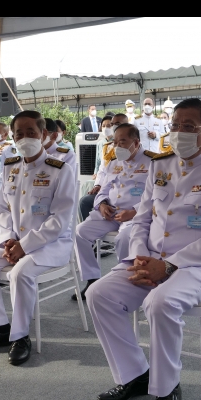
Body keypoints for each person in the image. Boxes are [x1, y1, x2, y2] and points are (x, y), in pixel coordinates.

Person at [86, 98, 201, 400]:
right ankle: (135, 374)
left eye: (189, 127)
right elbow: (142, 220)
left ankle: (167, 388)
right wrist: (142, 255)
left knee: (159, 302)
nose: (179, 132)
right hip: (150, 258)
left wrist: (169, 265)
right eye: (175, 126)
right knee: (99, 294)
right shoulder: (160, 164)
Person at [0, 110, 76, 366]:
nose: (25, 138)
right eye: (19, 134)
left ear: (44, 135)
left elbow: (59, 221)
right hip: (13, 242)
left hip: (52, 245)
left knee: (20, 274)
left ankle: (21, 336)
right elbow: (3, 209)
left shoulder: (60, 170)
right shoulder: (10, 166)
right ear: (12, 137)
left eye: (31, 133)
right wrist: (7, 240)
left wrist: (25, 246)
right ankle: (0, 328)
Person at [74, 123, 148, 299]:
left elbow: (157, 196)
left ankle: (127, 282)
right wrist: (102, 204)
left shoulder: (153, 162)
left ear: (136, 143)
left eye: (123, 142)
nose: (117, 146)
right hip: (111, 213)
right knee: (80, 232)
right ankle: (92, 278)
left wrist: (134, 212)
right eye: (115, 142)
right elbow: (103, 189)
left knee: (124, 237)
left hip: (136, 215)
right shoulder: (113, 163)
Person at [81, 114, 128, 220]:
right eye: (112, 124)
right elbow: (102, 170)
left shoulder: (133, 145)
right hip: (107, 188)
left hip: (126, 190)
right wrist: (97, 185)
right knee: (85, 202)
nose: (113, 126)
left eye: (117, 124)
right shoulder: (108, 147)